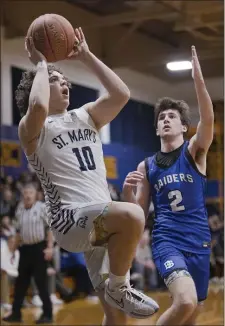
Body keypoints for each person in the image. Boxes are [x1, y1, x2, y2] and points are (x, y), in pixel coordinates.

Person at [7, 27, 159, 325]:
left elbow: (121, 94)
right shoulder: (32, 129)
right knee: (133, 215)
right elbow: (38, 105)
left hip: (101, 223)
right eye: (56, 80)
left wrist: (87, 57)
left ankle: (116, 291)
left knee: (117, 319)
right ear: (37, 86)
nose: (65, 85)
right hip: (70, 220)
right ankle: (119, 286)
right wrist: (40, 64)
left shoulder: (85, 115)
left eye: (66, 81)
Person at [123, 46, 214, 326]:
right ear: (156, 129)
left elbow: (208, 119)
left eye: (171, 116)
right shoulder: (147, 166)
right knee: (184, 301)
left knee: (190, 316)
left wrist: (198, 78)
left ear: (184, 127)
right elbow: (139, 212)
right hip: (167, 240)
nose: (165, 119)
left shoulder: (194, 152)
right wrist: (127, 192)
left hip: (199, 241)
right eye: (161, 117)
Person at [3, 183, 54, 324]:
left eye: (30, 192)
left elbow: (50, 229)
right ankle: (16, 314)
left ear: (35, 194)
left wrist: (49, 247)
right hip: (24, 250)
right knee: (20, 284)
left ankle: (48, 315)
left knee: (41, 283)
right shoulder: (19, 210)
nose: (27, 195)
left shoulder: (42, 207)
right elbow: (18, 232)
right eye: (25, 192)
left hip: (39, 249)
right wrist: (12, 252)